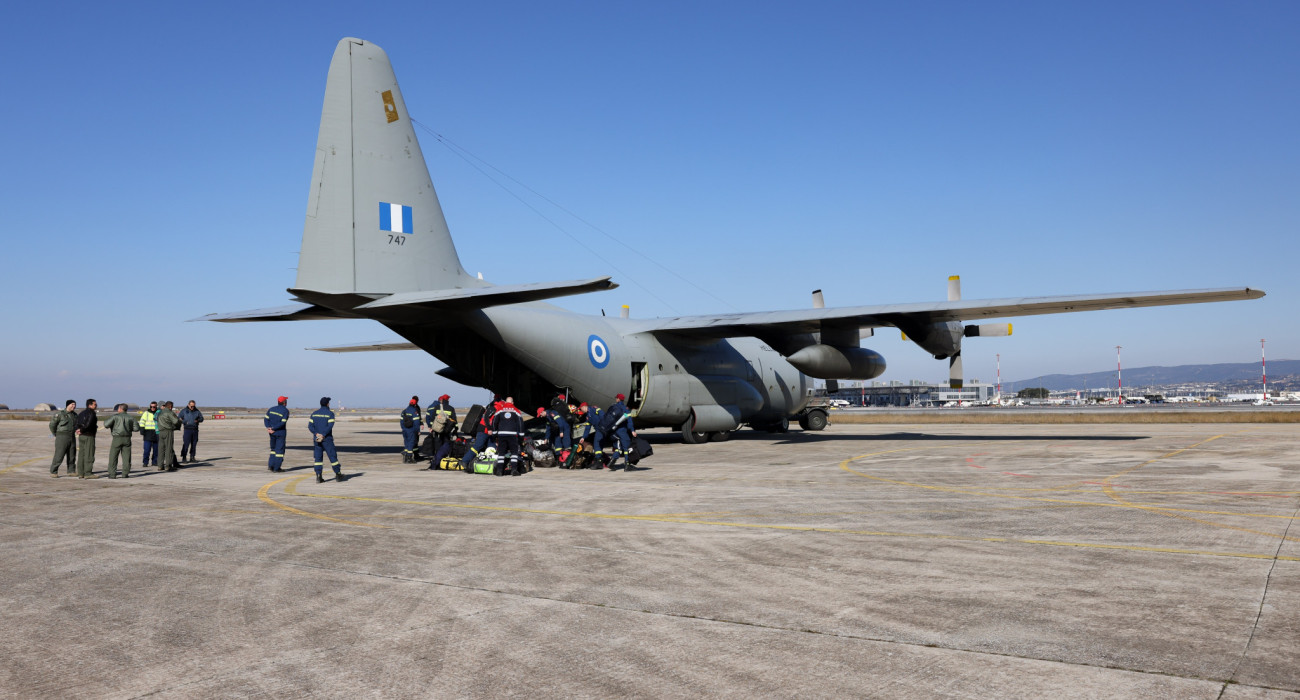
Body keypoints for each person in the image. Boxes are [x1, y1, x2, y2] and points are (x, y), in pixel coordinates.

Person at [309, 397, 347, 483]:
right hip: (327, 439)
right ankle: (338, 474)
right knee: (332, 456)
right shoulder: (330, 414)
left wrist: (316, 434)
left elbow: (310, 426)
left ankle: (318, 477)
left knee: (318, 458)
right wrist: (323, 434)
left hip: (317, 439)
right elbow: (330, 426)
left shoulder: (314, 414)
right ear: (327, 404)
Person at [489, 397, 525, 476]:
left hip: (501, 435)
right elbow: (520, 423)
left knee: (501, 453)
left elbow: (494, 422)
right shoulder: (516, 411)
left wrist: (495, 434)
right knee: (514, 452)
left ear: (505, 402)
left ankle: (499, 471)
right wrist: (521, 435)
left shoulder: (500, 410)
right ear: (512, 402)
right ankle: (514, 470)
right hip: (512, 435)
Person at [103, 403, 139, 479]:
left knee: (113, 456)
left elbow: (106, 424)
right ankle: (125, 473)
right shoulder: (131, 417)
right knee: (127, 457)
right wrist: (129, 428)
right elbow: (136, 428)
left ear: (120, 408)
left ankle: (112, 474)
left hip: (117, 438)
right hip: (127, 438)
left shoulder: (115, 417)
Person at [461, 400, 498, 471]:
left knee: (491, 447)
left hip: (489, 432)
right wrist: (490, 429)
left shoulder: (492, 408)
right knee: (478, 445)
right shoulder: (493, 408)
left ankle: (489, 464)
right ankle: (464, 461)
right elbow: (486, 419)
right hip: (484, 430)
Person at [605, 393, 637, 471]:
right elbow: (629, 421)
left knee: (618, 448)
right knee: (627, 447)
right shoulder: (625, 409)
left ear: (618, 399)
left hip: (613, 431)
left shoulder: (613, 407)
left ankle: (611, 463)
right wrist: (632, 430)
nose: (616, 399)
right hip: (621, 430)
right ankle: (627, 465)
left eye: (617, 398)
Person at [48, 400, 78, 477]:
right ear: (67, 405)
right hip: (62, 436)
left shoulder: (74, 415)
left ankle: (71, 471)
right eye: (72, 404)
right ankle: (53, 471)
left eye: (74, 405)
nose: (74, 406)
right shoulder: (60, 414)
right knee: (59, 454)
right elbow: (52, 425)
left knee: (72, 455)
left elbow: (77, 425)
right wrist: (56, 434)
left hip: (72, 436)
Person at [425, 394, 457, 461]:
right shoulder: (451, 408)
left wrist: (431, 427)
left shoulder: (436, 407)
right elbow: (454, 421)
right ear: (448, 400)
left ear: (442, 400)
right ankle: (445, 459)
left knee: (437, 445)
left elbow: (432, 419)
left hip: (437, 430)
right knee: (446, 444)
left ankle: (437, 459)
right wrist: (455, 429)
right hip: (447, 431)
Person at [74, 398, 99, 479]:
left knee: (81, 454)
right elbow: (88, 424)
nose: (96, 405)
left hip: (81, 436)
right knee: (89, 454)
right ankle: (88, 473)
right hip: (88, 436)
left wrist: (78, 430)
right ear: (90, 405)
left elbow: (76, 423)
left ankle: (80, 472)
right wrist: (82, 430)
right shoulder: (91, 413)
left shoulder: (81, 413)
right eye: (95, 404)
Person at [264, 396, 290, 472]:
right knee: (280, 451)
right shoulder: (285, 411)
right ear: (284, 403)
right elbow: (283, 422)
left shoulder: (271, 409)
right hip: (280, 433)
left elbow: (266, 419)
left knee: (273, 449)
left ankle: (271, 466)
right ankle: (276, 468)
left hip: (271, 433)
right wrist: (274, 428)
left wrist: (269, 427)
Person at [156, 401, 181, 471]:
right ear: (170, 406)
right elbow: (175, 421)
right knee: (168, 449)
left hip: (160, 432)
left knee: (161, 449)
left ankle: (160, 465)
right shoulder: (169, 412)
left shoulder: (160, 412)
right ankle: (168, 465)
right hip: (168, 431)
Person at [400, 396, 421, 463]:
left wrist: (403, 428)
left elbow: (401, 421)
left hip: (405, 430)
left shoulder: (404, 411)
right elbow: (417, 422)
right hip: (411, 430)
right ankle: (409, 457)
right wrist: (418, 430)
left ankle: (405, 457)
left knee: (406, 442)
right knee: (411, 442)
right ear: (415, 404)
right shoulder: (414, 411)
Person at [138, 402, 159, 468]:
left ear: (156, 407)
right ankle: (145, 462)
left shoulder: (158, 413)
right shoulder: (146, 413)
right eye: (151, 407)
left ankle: (154, 462)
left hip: (156, 433)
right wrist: (142, 429)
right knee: (147, 450)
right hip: (148, 433)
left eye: (154, 407)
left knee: (156, 450)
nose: (152, 408)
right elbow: (142, 421)